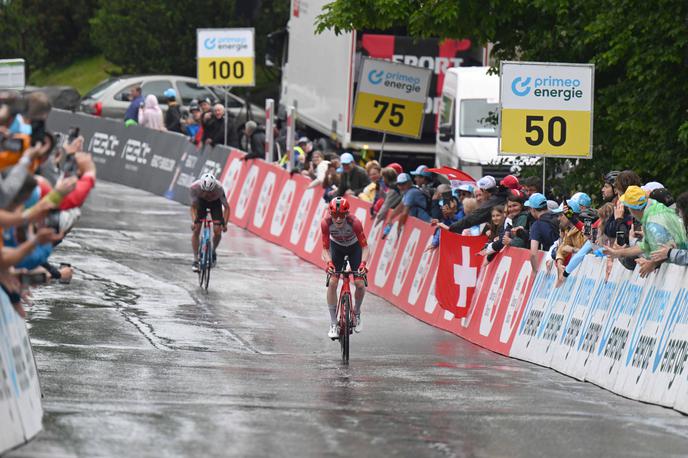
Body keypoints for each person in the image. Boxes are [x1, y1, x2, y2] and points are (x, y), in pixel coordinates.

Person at [605, 185, 687, 277]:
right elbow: (644, 246)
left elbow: (665, 250)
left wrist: (652, 263)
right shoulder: (654, 210)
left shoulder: (653, 221)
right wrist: (619, 253)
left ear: (632, 209)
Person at [321, 197, 369, 338]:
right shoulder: (326, 223)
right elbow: (325, 249)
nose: (338, 219)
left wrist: (363, 264)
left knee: (360, 283)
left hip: (355, 248)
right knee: (332, 283)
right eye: (335, 215)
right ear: (331, 214)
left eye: (341, 215)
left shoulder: (355, 223)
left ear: (347, 214)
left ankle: (357, 312)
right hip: (337, 249)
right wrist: (329, 262)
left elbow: (365, 247)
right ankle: (333, 323)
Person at [189, 173, 230, 272]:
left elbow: (227, 208)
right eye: (205, 191)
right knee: (196, 229)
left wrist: (224, 224)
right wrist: (194, 221)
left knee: (217, 230)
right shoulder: (194, 187)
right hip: (201, 203)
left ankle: (213, 250)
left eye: (210, 192)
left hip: (215, 203)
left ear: (214, 188)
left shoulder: (219, 188)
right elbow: (193, 207)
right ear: (201, 187)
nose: (207, 194)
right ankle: (195, 260)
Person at [519, 193, 559, 271]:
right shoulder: (559, 217)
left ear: (533, 210)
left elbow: (533, 253)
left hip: (552, 262)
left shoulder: (537, 225)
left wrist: (534, 271)